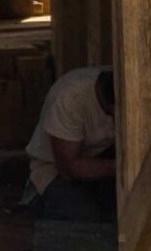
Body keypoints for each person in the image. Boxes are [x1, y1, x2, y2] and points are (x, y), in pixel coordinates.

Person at [22, 63, 116, 222]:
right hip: (55, 170)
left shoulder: (134, 85)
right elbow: (68, 168)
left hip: (105, 157)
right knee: (84, 220)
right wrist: (119, 167)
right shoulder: (70, 98)